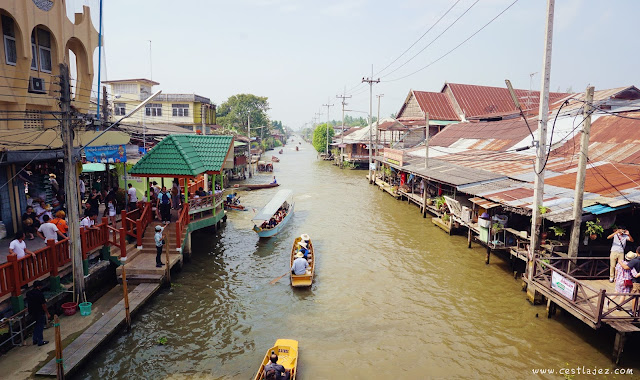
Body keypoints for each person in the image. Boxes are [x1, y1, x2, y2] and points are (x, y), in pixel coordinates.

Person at [26, 280, 50, 346]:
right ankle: (40, 341)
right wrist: (47, 313)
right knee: (40, 326)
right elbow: (43, 305)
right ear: (38, 287)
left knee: (36, 325)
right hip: (39, 312)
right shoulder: (40, 294)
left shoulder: (28, 293)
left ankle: (35, 339)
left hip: (32, 312)